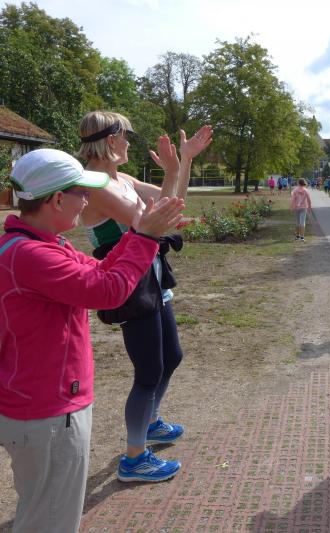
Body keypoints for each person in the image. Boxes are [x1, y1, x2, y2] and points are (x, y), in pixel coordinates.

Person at [0, 149, 184, 533]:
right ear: (56, 199)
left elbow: (101, 270)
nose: (87, 201)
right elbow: (108, 291)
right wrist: (145, 237)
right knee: (50, 522)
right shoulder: (32, 255)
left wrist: (136, 233)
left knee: (44, 513)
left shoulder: (38, 245)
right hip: (48, 413)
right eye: (81, 192)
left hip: (44, 408)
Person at [78, 111, 212, 482]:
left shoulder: (121, 179)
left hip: (150, 276)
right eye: (126, 135)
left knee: (172, 357)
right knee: (149, 370)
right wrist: (172, 172)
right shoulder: (95, 184)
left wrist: (183, 162)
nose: (129, 142)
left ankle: (150, 422)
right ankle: (134, 458)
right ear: (110, 139)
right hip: (127, 283)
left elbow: (173, 204)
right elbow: (152, 223)